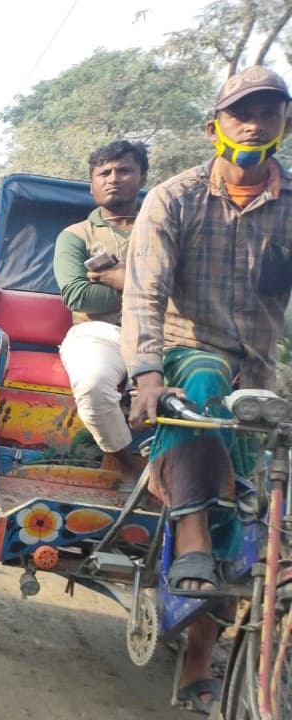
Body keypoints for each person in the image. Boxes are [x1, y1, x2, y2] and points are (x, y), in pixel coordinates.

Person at [122, 65, 292, 714]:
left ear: (286, 123)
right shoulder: (175, 198)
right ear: (213, 126)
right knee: (206, 377)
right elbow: (144, 292)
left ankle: (201, 652)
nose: (254, 123)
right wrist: (144, 374)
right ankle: (188, 531)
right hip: (179, 364)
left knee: (253, 522)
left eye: (268, 111)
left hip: (258, 378)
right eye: (240, 111)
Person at [53, 140, 149, 480]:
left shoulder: (164, 229)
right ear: (92, 183)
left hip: (165, 334)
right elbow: (79, 296)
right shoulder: (75, 236)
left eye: (124, 170)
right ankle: (128, 464)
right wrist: (147, 290)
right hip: (99, 333)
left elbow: (187, 291)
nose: (113, 178)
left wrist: (122, 281)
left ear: (141, 177)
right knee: (93, 385)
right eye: (103, 172)